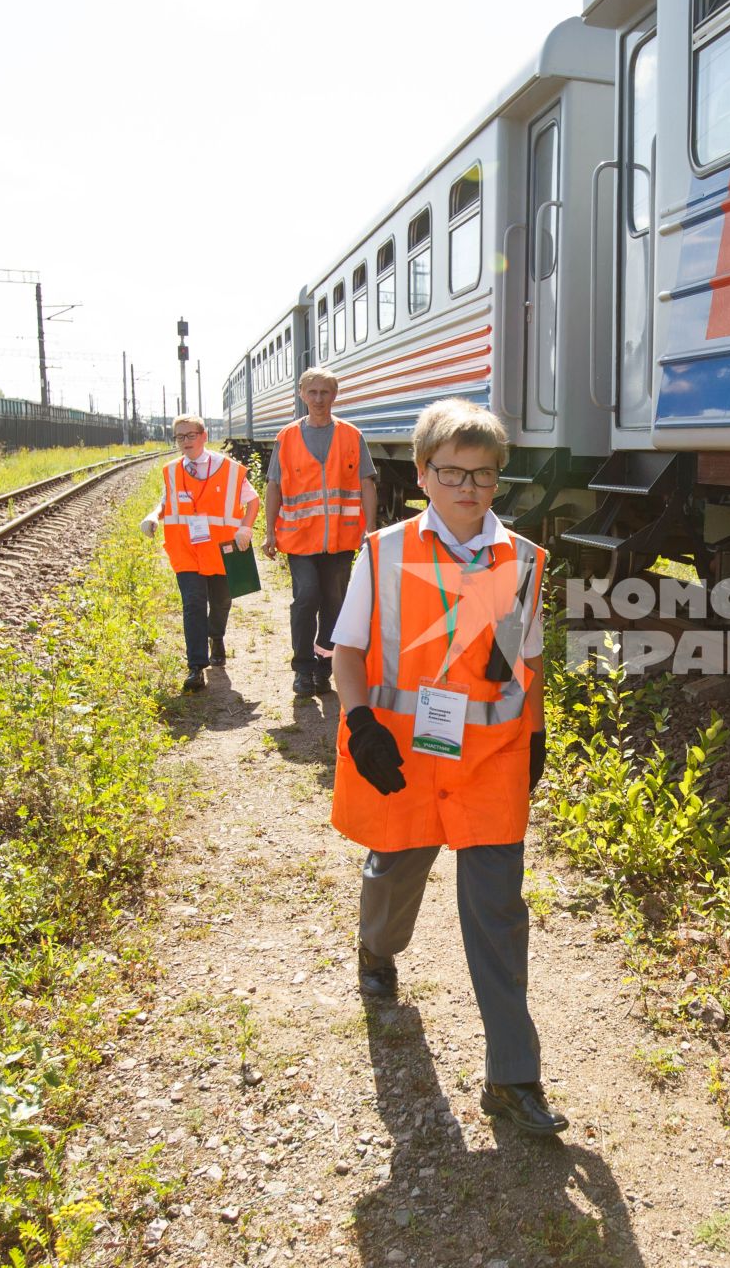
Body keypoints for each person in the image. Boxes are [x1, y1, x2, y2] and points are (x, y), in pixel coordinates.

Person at [328, 398, 562, 1136]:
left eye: (484, 475)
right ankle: (377, 948)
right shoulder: (384, 551)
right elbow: (348, 652)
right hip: (402, 757)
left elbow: (531, 659)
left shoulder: (522, 560)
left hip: (490, 758)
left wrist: (537, 734)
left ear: (499, 481)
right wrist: (360, 720)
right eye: (453, 472)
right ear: (424, 473)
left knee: (498, 912)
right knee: (394, 871)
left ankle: (513, 1078)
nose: (469, 487)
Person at [261, 367, 380, 697]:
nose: (318, 399)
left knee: (334, 602)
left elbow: (366, 484)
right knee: (306, 596)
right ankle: (302, 668)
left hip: (341, 540)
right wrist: (270, 532)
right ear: (301, 395)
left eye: (325, 392)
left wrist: (370, 531)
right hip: (300, 538)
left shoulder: (351, 436)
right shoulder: (286, 437)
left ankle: (323, 668)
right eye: (312, 392)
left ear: (335, 395)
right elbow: (275, 487)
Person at [141, 415, 260, 692]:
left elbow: (252, 500)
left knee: (221, 601)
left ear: (204, 436)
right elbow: (165, 502)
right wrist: (154, 516)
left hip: (221, 549)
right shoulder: (171, 470)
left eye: (190, 435)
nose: (185, 442)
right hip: (186, 549)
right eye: (179, 437)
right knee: (193, 603)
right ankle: (196, 666)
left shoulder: (229, 470)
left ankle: (216, 637)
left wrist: (246, 528)